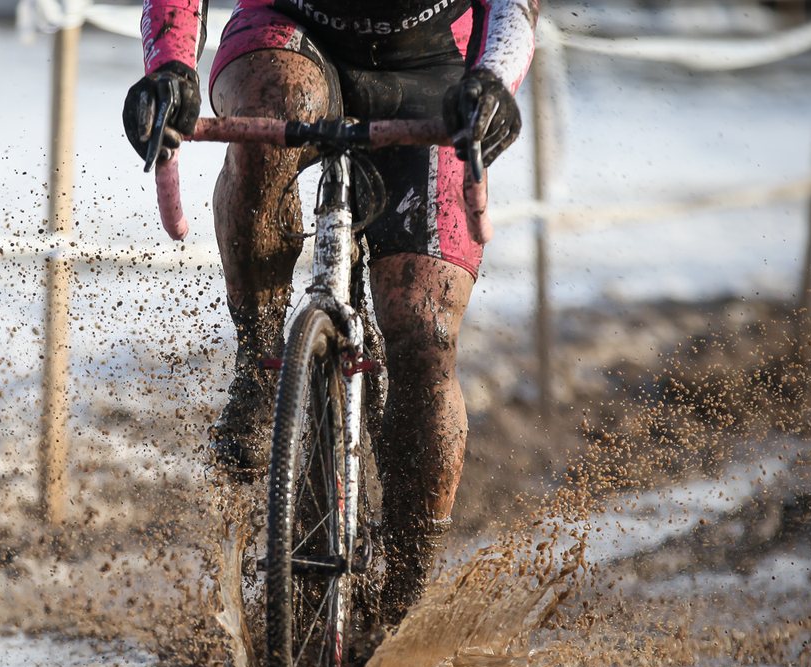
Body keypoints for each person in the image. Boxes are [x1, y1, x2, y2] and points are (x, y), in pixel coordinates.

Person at [124, 0, 538, 627]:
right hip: (290, 30)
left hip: (434, 62)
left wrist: (494, 83)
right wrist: (172, 68)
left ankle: (400, 596)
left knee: (425, 339)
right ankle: (262, 360)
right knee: (278, 106)